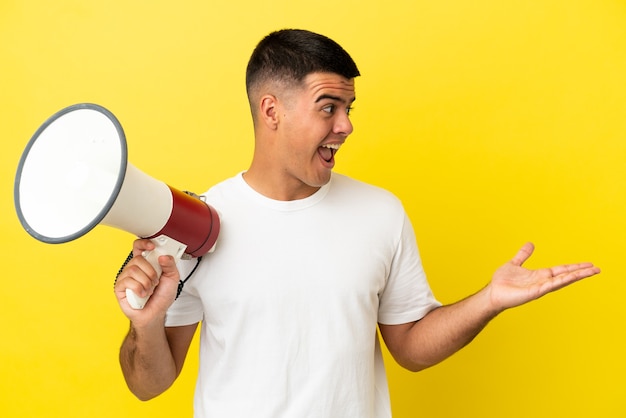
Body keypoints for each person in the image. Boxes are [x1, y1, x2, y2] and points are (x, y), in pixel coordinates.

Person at [114, 29, 600, 418]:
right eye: (329, 107)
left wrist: (488, 300)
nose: (346, 125)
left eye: (348, 109)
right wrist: (146, 323)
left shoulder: (381, 212)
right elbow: (148, 385)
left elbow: (410, 346)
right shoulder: (199, 225)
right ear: (271, 111)